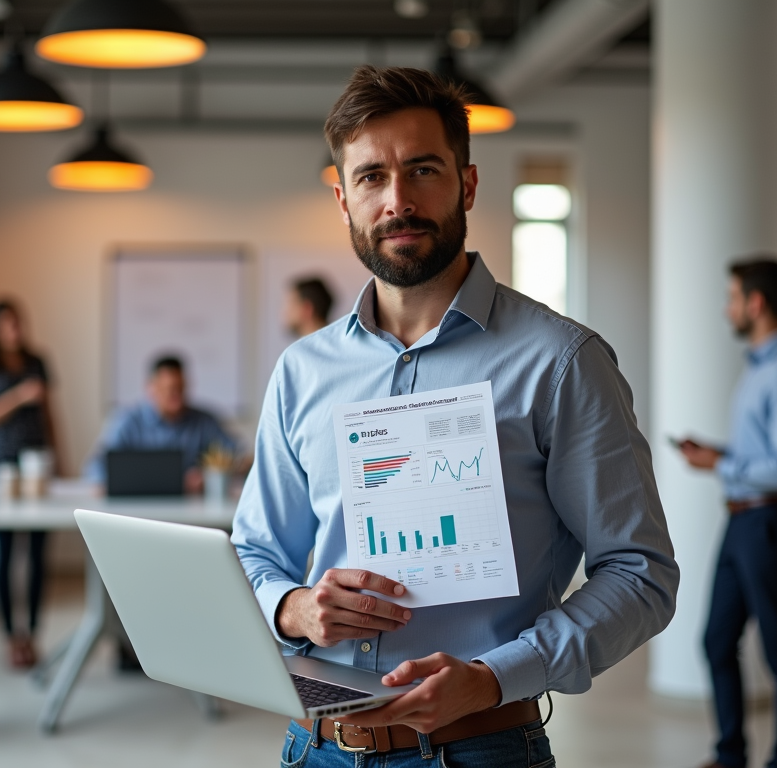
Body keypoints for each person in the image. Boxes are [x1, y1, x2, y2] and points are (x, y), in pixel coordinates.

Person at [231, 65, 679, 766]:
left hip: (479, 750)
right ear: (343, 200)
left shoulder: (561, 362)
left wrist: (496, 677)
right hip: (313, 745)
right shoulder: (302, 371)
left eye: (424, 170)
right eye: (372, 177)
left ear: (467, 185)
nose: (397, 200)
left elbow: (640, 574)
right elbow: (255, 553)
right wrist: (293, 608)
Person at [676, 259, 777, 768]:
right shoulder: (759, 367)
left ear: (756, 303)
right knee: (717, 640)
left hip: (767, 521)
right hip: (742, 519)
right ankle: (730, 755)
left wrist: (721, 462)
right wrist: (718, 454)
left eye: (732, 298)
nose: (726, 308)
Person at [0, 300, 62, 670]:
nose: (15, 331)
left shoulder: (37, 361)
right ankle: (10, 636)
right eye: (7, 325)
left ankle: (32, 634)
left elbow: (50, 414)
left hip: (38, 467)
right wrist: (19, 395)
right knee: (4, 554)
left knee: (38, 555)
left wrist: (59, 459)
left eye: (19, 323)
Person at [84, 355, 236, 494]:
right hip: (136, 506)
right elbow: (96, 464)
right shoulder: (127, 420)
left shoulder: (205, 421)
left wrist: (208, 476)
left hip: (189, 506)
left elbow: (238, 455)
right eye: (168, 390)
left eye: (180, 389)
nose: (176, 397)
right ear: (151, 388)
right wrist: (103, 483)